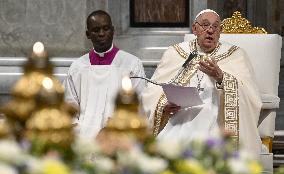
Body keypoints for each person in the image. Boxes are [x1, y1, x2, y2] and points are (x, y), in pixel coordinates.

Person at [141, 9, 262, 156]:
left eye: (216, 26)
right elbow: (152, 93)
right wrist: (163, 107)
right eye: (205, 25)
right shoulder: (176, 52)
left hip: (217, 119)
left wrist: (221, 77)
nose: (210, 30)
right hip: (181, 118)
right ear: (195, 29)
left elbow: (251, 95)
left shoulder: (236, 55)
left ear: (220, 31)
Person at [64, 10, 146, 140]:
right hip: (82, 137)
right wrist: (81, 133)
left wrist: (117, 127)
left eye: (106, 28)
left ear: (113, 30)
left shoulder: (131, 64)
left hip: (119, 134)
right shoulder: (77, 67)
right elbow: (69, 107)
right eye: (96, 30)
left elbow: (141, 104)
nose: (101, 34)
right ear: (88, 34)